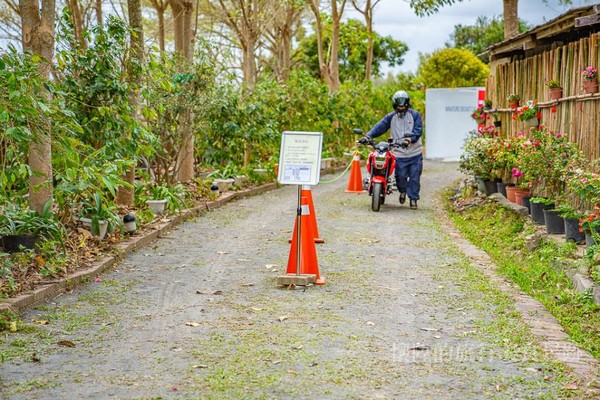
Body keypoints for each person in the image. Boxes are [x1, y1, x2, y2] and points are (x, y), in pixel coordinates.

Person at [359, 90, 423, 209]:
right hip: (399, 154)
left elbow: (418, 130)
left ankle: (413, 199)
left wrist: (409, 140)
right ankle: (403, 192)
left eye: (403, 104)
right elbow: (379, 127)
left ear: (407, 103)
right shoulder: (391, 117)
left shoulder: (415, 115)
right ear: (394, 104)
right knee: (400, 177)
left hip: (415, 154)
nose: (401, 106)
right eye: (398, 105)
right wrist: (368, 136)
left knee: (414, 178)